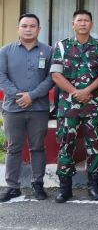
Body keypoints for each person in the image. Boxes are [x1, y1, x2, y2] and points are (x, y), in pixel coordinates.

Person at [50, 9, 98, 203]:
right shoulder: (62, 46)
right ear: (73, 24)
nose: (83, 23)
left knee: (95, 146)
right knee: (66, 145)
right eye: (79, 20)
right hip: (68, 106)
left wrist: (87, 91)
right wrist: (76, 93)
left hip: (93, 105)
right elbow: (56, 75)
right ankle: (65, 189)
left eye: (86, 20)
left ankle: (93, 186)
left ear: (91, 24)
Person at [0, 14, 53, 201]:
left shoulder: (48, 51)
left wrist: (32, 95)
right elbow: (2, 77)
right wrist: (18, 96)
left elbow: (51, 78)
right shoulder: (5, 51)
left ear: (39, 29)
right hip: (13, 109)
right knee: (13, 147)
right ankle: (12, 186)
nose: (28, 29)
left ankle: (37, 184)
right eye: (24, 26)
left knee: (37, 147)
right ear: (18, 28)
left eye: (32, 26)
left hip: (38, 108)